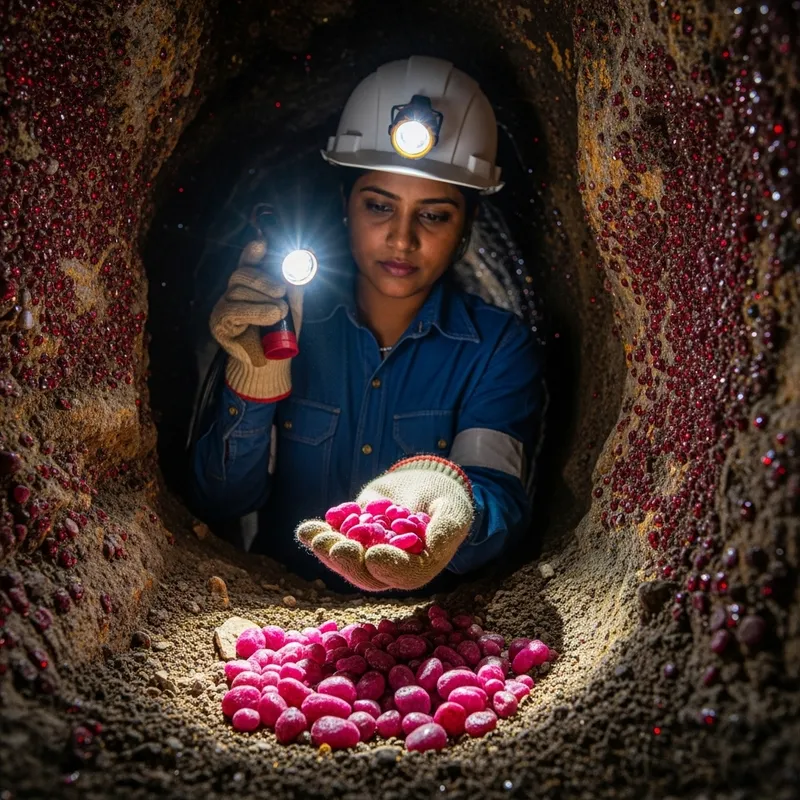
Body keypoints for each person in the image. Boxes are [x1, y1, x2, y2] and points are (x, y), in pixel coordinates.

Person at [192, 56, 544, 592]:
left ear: (468, 225)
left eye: (433, 214)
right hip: (283, 602)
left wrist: (450, 499)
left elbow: (502, 505)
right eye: (379, 206)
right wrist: (253, 388)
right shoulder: (282, 319)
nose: (402, 240)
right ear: (345, 205)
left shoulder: (496, 350)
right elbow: (218, 500)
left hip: (423, 624)